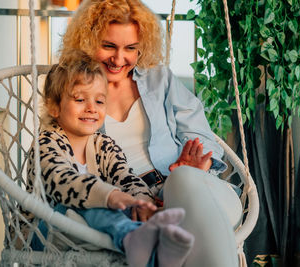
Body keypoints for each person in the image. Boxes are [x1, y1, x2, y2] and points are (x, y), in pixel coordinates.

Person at [61, 0, 242, 266]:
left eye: (130, 48)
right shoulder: (74, 93)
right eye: (108, 46)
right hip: (136, 205)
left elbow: (203, 138)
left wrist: (194, 166)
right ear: (87, 41)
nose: (119, 59)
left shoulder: (160, 80)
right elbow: (71, 164)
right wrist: (134, 198)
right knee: (188, 233)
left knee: (182, 179)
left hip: (202, 190)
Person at [25, 50, 197, 267]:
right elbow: (64, 183)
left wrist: (141, 203)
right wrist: (111, 196)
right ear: (54, 106)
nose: (91, 108)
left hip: (92, 233)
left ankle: (153, 246)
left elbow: (127, 178)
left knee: (122, 208)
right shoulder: (46, 143)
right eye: (80, 99)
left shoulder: (103, 145)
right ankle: (136, 238)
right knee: (89, 205)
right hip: (45, 232)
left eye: (99, 101)